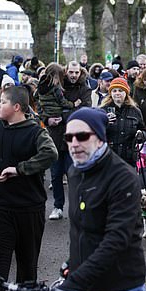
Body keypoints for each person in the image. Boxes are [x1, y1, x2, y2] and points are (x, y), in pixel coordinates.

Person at [59, 108, 146, 291]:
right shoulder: (74, 172)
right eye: (68, 137)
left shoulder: (123, 177)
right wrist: (71, 263)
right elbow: (81, 230)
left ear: (100, 138)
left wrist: (75, 281)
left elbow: (117, 238)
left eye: (81, 136)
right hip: (82, 288)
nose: (74, 143)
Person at [0, 86, 58, 291]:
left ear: (16, 107)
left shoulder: (36, 131)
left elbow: (50, 153)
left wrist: (20, 168)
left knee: (27, 264)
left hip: (28, 208)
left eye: (3, 102)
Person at [46, 62, 92, 221]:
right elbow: (48, 107)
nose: (73, 75)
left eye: (76, 72)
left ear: (80, 73)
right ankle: (58, 206)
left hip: (75, 139)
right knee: (55, 175)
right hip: (56, 137)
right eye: (71, 72)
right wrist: (47, 119)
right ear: (66, 72)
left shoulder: (85, 89)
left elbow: (84, 111)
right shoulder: (57, 86)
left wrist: (63, 116)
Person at [99, 77, 146, 166]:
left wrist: (141, 135)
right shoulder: (102, 110)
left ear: (126, 93)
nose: (117, 93)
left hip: (129, 157)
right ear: (110, 93)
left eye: (120, 90)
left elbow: (144, 131)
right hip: (109, 157)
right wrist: (104, 122)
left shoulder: (135, 111)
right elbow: (96, 133)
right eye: (114, 91)